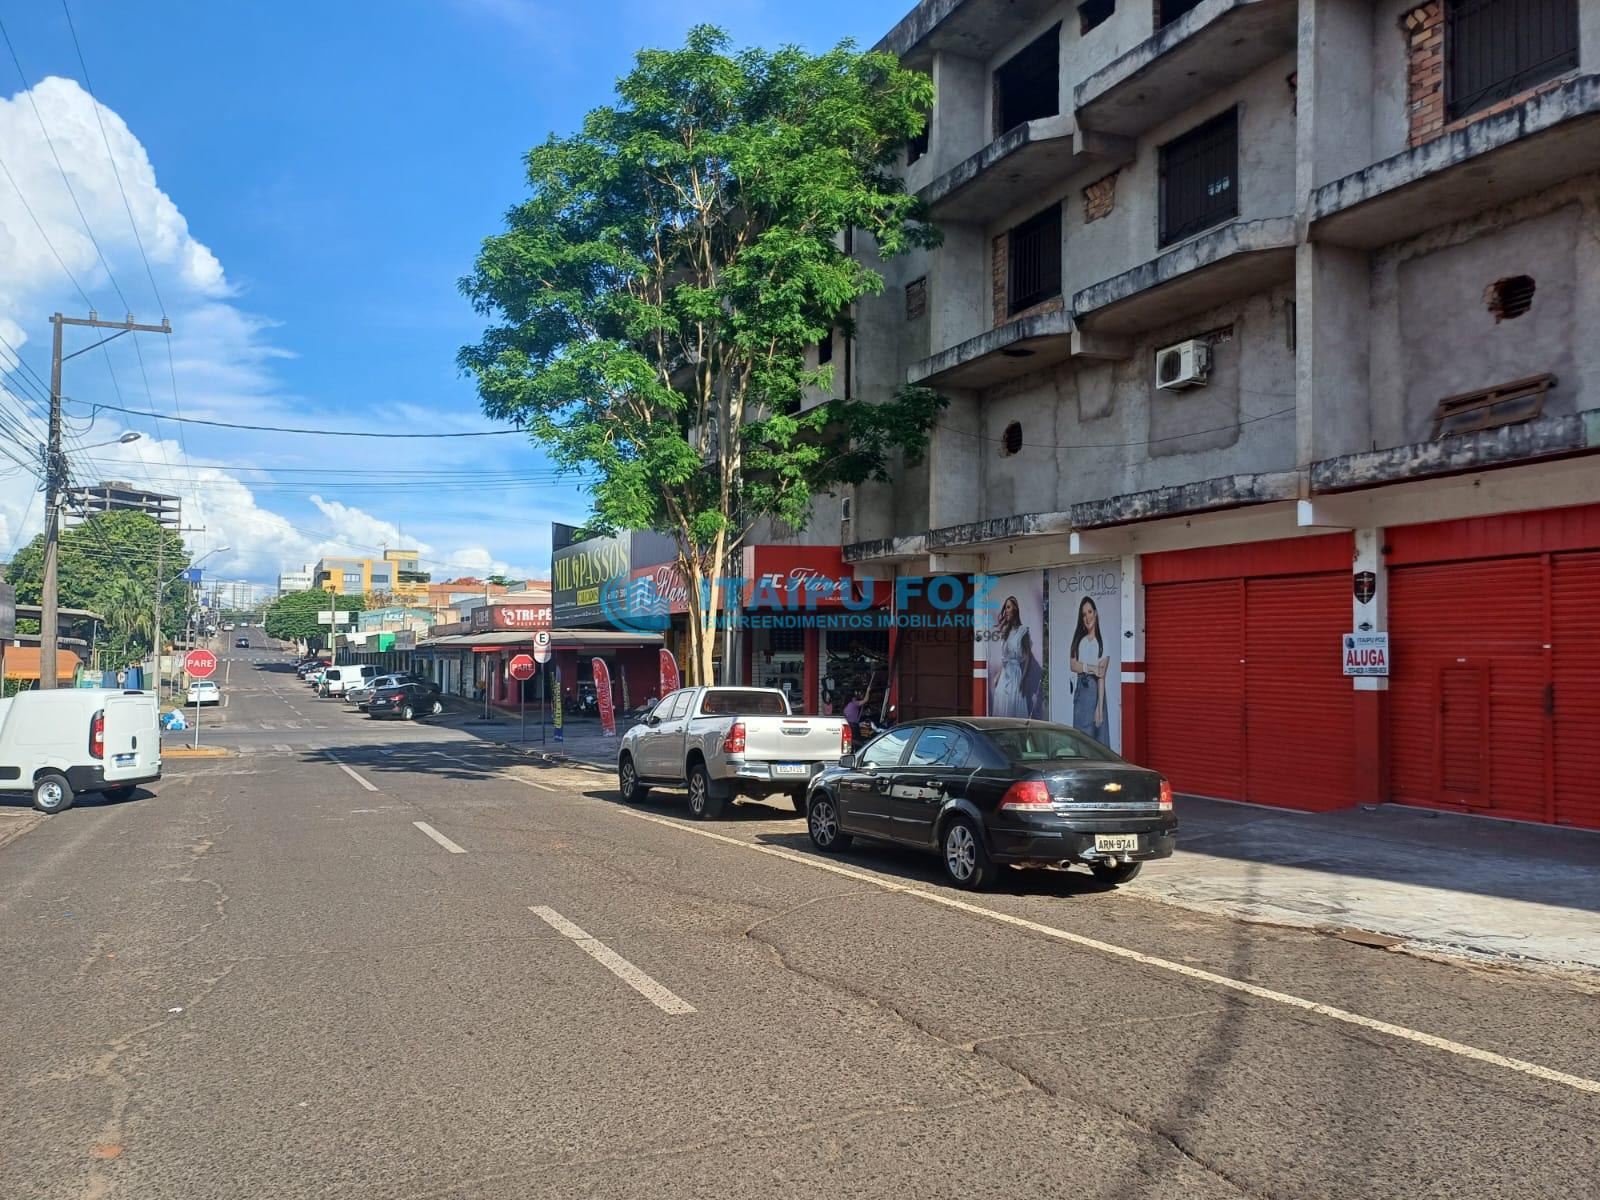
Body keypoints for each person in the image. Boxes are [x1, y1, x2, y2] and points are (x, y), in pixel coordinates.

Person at [1069, 595, 1112, 742]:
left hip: (1096, 693)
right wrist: (1092, 668)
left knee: (1098, 740)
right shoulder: (1079, 641)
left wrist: (1099, 708)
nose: (1087, 617)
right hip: (1081, 692)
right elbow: (1073, 665)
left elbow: (1101, 676)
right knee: (1080, 738)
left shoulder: (1103, 642)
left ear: (1096, 613)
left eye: (1090, 612)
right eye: (1084, 614)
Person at [989, 595, 1040, 719]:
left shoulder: (1023, 631)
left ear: (1015, 609)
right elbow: (1004, 658)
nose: (1006, 611)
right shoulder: (1006, 631)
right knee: (1001, 706)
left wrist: (1023, 679)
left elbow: (1027, 657)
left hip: (1015, 675)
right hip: (1003, 677)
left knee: (1013, 708)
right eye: (1005, 608)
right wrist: (997, 676)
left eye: (1008, 607)